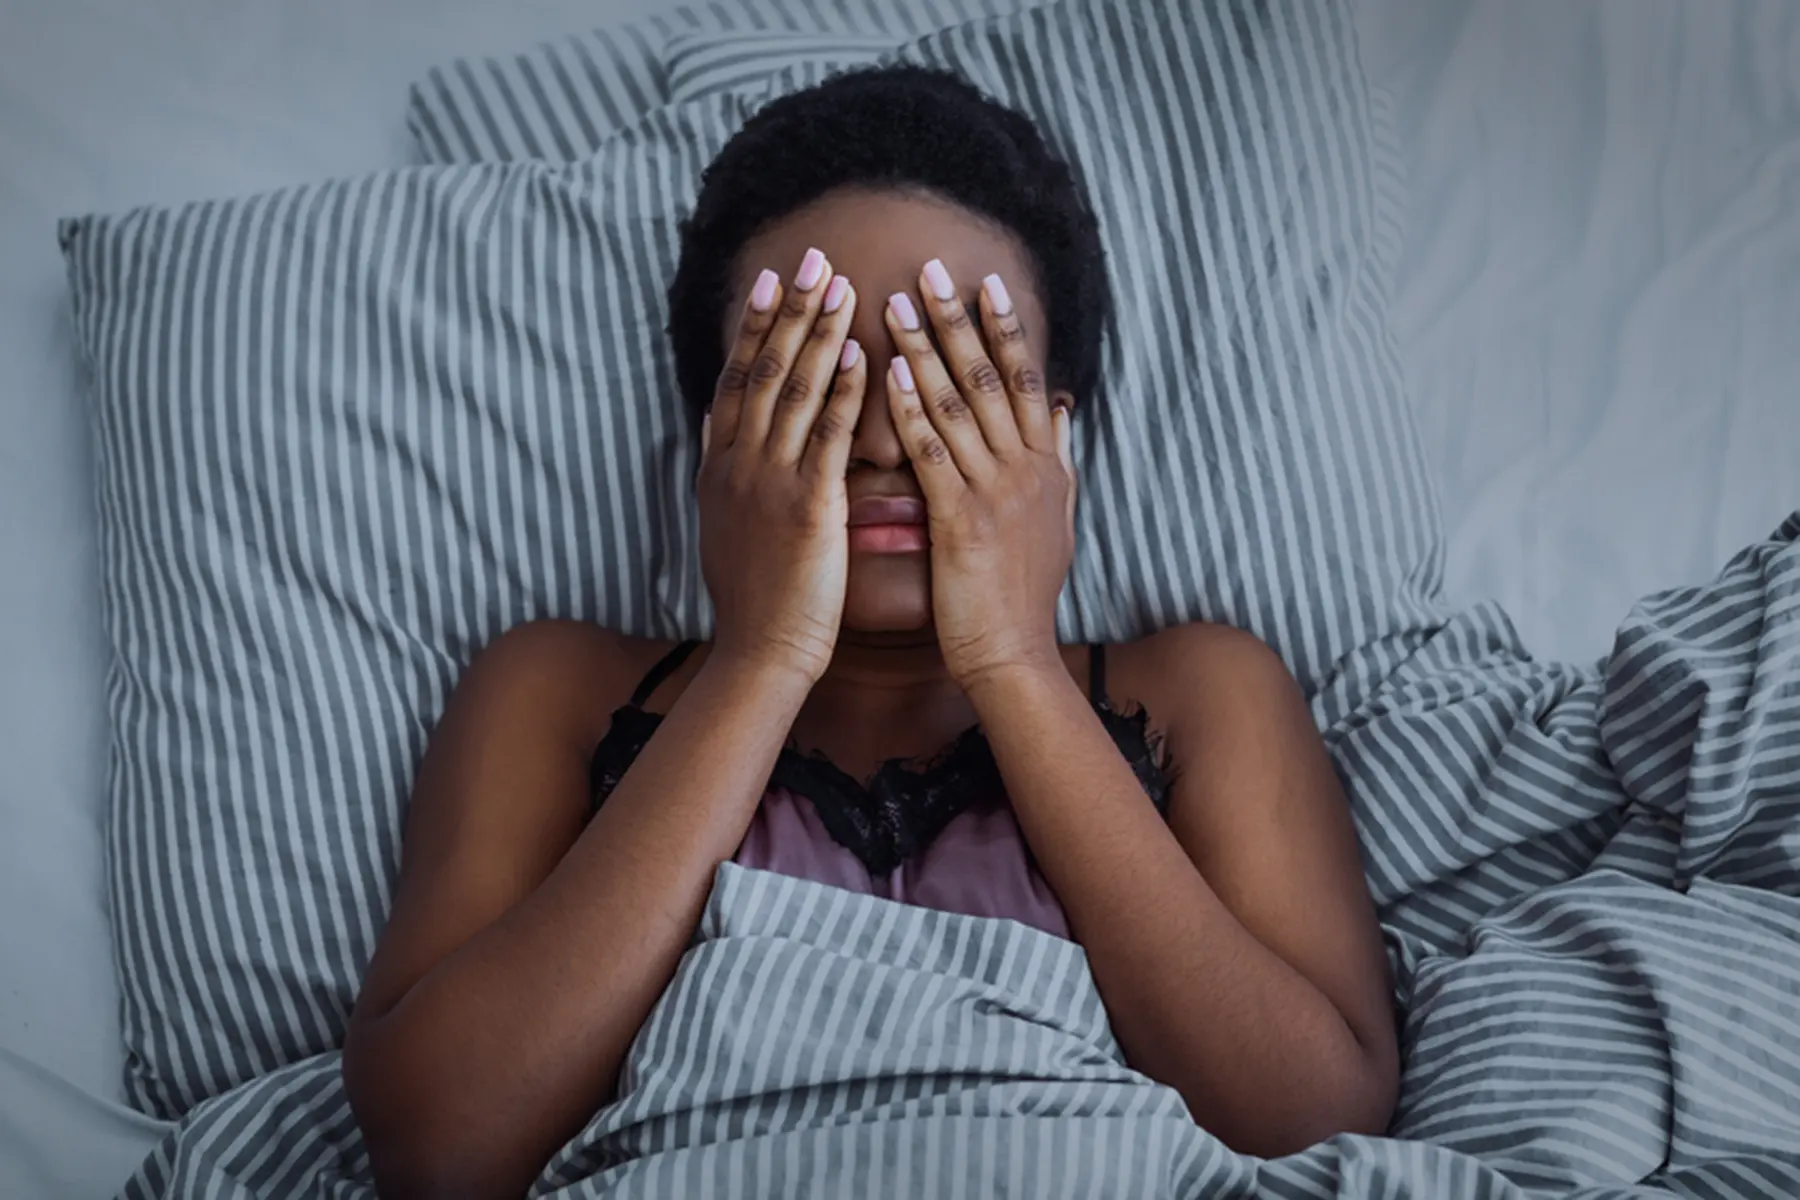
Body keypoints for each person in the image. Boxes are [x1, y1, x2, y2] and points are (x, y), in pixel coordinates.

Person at [342, 64, 1400, 1198]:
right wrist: (760, 657)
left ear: (1058, 432)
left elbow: (1308, 1121)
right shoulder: (554, 692)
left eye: (957, 379)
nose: (890, 442)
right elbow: (439, 1147)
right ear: (714, 433)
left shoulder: (1197, 693)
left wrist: (1013, 661)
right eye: (821, 376)